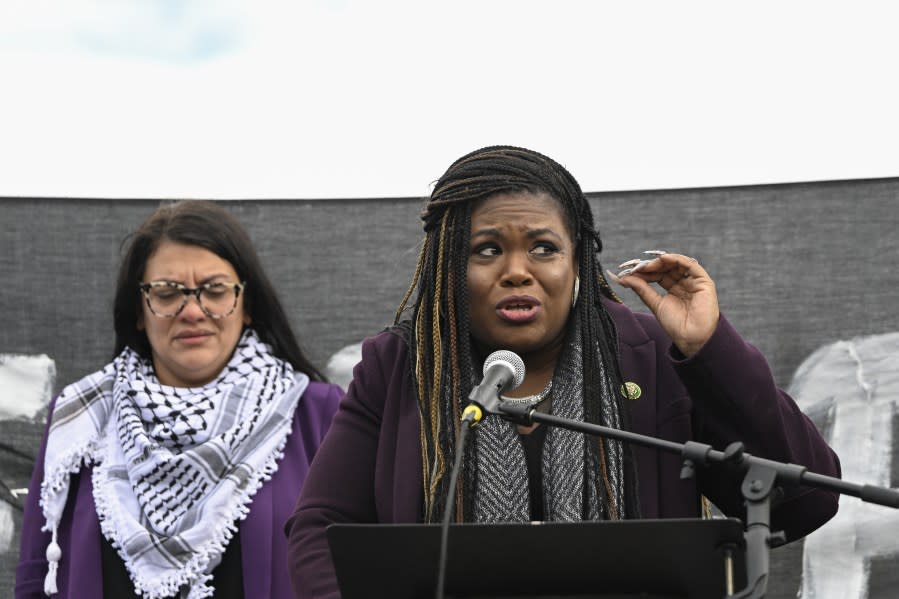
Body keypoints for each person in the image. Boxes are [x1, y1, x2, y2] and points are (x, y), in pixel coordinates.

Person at [285, 145, 842, 598]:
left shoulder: (648, 352)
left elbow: (805, 502)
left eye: (544, 248)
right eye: (485, 251)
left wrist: (707, 350)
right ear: (449, 267)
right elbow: (320, 530)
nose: (517, 272)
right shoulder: (400, 365)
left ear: (577, 260)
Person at [15, 200, 343, 599]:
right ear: (139, 310)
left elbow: (354, 571)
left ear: (247, 305)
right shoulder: (80, 419)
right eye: (168, 293)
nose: (192, 311)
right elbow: (35, 579)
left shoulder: (319, 416)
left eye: (215, 291)